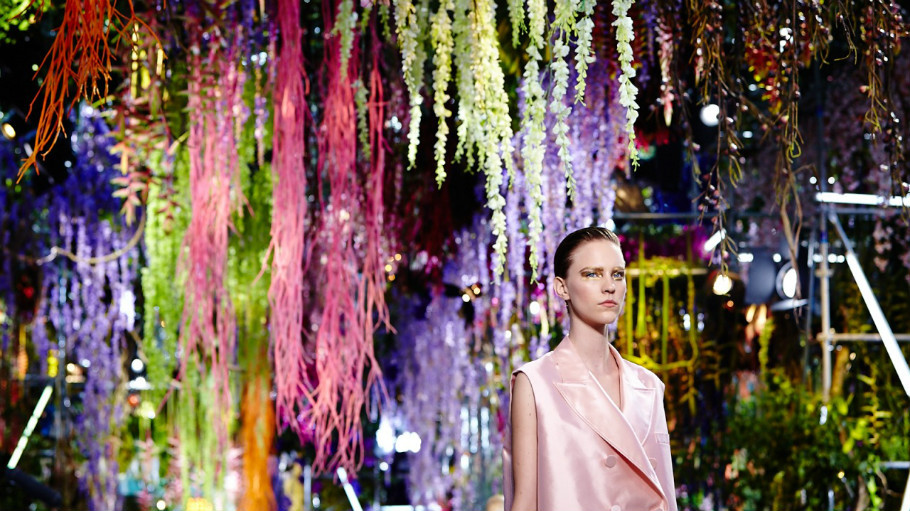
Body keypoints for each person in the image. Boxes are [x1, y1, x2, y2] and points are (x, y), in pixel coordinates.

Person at [503, 227, 677, 511]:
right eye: (592, 274)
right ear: (562, 288)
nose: (609, 286)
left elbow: (666, 494)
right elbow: (524, 502)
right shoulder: (535, 383)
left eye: (617, 274)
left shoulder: (648, 385)